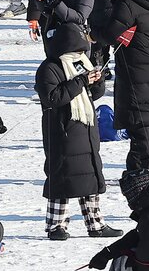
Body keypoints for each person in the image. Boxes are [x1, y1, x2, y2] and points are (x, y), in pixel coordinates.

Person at [37, 25, 119, 241]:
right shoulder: (49, 68)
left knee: (90, 177)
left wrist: (97, 80)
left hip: (86, 129)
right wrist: (81, 81)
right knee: (61, 177)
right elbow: (52, 98)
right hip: (62, 131)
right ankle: (56, 226)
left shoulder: (81, 63)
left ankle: (96, 224)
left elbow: (94, 95)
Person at [102, 0, 149, 176]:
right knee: (136, 123)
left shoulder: (127, 4)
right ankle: (135, 169)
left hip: (137, 73)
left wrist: (93, 33)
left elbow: (110, 34)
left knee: (141, 126)